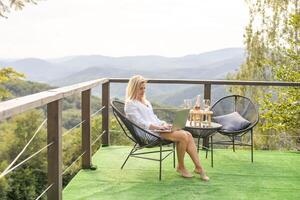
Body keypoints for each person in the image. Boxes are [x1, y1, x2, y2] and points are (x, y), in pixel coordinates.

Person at [124, 75, 209, 181]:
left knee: (188, 135)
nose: (143, 91)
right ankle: (181, 167)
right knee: (183, 136)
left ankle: (198, 167)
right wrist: (156, 127)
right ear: (133, 88)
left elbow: (153, 118)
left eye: (144, 88)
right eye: (140, 88)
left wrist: (164, 124)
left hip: (157, 129)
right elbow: (139, 122)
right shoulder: (130, 104)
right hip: (147, 133)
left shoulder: (145, 102)